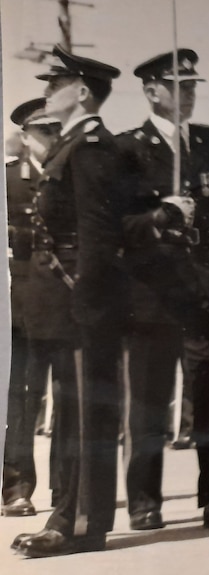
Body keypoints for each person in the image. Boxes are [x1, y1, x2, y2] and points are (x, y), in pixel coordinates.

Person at [117, 48, 209, 530]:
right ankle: (144, 500)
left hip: (207, 293)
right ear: (152, 91)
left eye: (192, 85)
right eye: (177, 85)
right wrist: (159, 216)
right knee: (150, 401)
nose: (188, 93)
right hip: (152, 294)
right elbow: (119, 225)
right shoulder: (126, 149)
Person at [11, 45, 126, 558]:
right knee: (74, 413)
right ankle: (72, 515)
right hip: (65, 302)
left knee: (83, 415)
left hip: (82, 302)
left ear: (81, 93)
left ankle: (78, 523)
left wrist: (88, 300)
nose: (46, 93)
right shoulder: (72, 144)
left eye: (55, 85)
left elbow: (98, 236)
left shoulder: (91, 145)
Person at [2, 98, 61, 518]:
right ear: (25, 136)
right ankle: (16, 486)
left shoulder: (69, 179)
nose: (51, 137)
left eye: (56, 129)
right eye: (42, 131)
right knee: (23, 397)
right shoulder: (8, 181)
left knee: (67, 398)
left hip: (64, 304)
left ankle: (67, 490)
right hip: (20, 308)